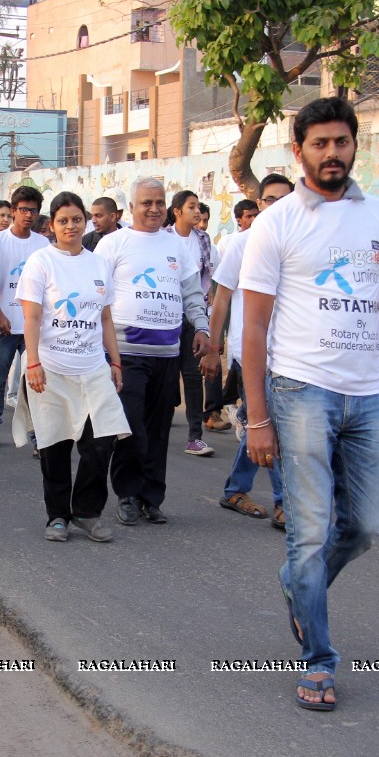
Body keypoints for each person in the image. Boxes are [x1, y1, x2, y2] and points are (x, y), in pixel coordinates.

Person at [240, 97, 379, 711]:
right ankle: (319, 660)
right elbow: (254, 329)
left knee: (366, 526)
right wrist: (258, 417)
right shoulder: (277, 223)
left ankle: (299, 586)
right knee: (311, 532)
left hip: (367, 395)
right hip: (300, 394)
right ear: (299, 151)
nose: (332, 153)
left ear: (354, 146)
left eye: (341, 142)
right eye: (319, 143)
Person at [96, 177, 210, 526]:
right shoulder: (112, 244)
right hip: (126, 353)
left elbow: (192, 293)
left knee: (159, 428)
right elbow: (95, 297)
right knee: (131, 424)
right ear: (131, 208)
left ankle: (151, 497)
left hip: (167, 353)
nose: (154, 208)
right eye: (147, 202)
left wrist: (203, 327)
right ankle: (127, 494)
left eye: (159, 202)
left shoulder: (177, 246)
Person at [19, 192, 130, 543]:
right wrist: (33, 361)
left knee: (102, 440)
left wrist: (115, 361)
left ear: (85, 222)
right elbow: (32, 315)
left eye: (77, 219)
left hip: (93, 366)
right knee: (54, 445)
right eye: (63, 220)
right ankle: (57, 517)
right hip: (50, 367)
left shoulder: (98, 264)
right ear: (52, 225)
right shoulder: (41, 261)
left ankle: (86, 512)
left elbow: (106, 317)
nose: (71, 225)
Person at [201, 173, 293, 525]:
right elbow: (221, 298)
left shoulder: (297, 243)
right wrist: (213, 347)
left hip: (290, 353)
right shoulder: (243, 244)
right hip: (253, 352)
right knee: (274, 424)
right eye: (270, 200)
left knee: (263, 423)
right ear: (259, 205)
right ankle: (285, 501)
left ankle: (234, 489)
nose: (277, 206)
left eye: (284, 200)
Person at [0, 185, 49, 448]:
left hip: (33, 327)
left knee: (35, 382)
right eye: (23, 210)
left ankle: (37, 435)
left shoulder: (43, 244)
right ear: (13, 211)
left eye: (34, 211)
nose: (29, 215)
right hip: (5, 324)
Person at [167, 189, 221, 456]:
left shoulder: (203, 239)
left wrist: (203, 312)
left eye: (198, 206)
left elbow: (208, 277)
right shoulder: (164, 238)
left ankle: (195, 437)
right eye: (192, 206)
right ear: (177, 211)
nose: (197, 211)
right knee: (165, 376)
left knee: (191, 376)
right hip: (165, 317)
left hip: (193, 316)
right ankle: (157, 429)